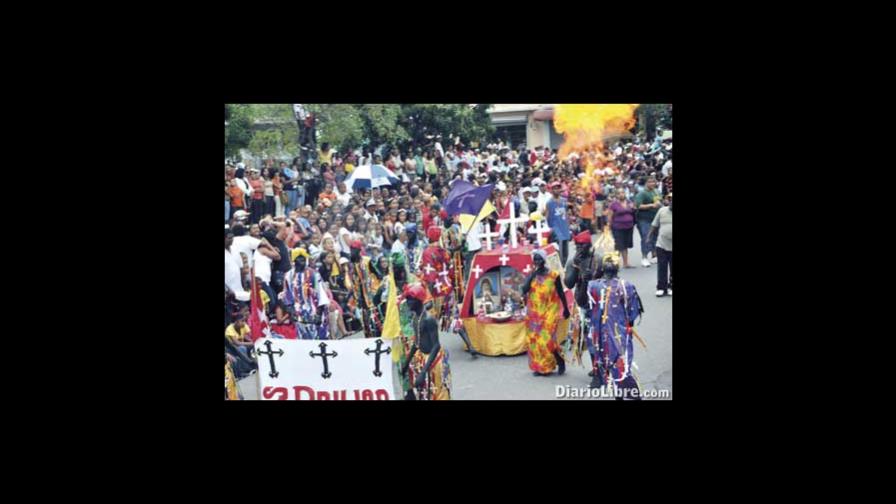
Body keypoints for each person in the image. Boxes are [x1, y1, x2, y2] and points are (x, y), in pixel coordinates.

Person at [586, 252, 644, 399]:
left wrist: (625, 330)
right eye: (608, 262)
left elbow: (632, 312)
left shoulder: (626, 286)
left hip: (617, 336)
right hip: (605, 338)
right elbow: (586, 305)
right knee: (611, 369)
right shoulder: (594, 285)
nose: (610, 264)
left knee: (621, 368)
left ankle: (634, 396)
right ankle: (620, 396)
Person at [398, 283, 451, 400]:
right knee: (424, 394)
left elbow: (436, 346)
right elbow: (417, 342)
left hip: (434, 360)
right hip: (423, 359)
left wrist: (423, 372)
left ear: (418, 300)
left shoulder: (428, 319)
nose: (407, 303)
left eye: (410, 300)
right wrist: (406, 363)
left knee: (437, 392)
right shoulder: (416, 318)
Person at [522, 248, 569, 376]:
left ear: (544, 260)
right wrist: (532, 275)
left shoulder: (554, 275)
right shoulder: (532, 274)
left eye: (539, 259)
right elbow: (524, 290)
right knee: (535, 341)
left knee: (547, 341)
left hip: (549, 311)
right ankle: (541, 367)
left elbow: (561, 293)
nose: (537, 261)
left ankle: (560, 360)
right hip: (534, 313)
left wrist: (566, 308)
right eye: (535, 259)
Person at [281, 248, 330, 339]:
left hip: (314, 311)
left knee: (318, 339)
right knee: (303, 340)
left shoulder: (314, 274)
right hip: (298, 313)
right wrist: (291, 311)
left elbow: (321, 293)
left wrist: (319, 313)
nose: (302, 260)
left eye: (303, 258)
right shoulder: (288, 275)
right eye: (299, 258)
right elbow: (287, 294)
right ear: (294, 260)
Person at [648, 193, 672, 297]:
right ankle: (661, 287)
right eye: (670, 199)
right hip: (661, 244)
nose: (671, 201)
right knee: (662, 267)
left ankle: (670, 287)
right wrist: (649, 236)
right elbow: (654, 224)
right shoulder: (662, 211)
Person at [634, 177, 661, 267]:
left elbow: (659, 201)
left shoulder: (656, 191)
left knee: (656, 238)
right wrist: (652, 205)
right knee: (646, 237)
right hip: (644, 220)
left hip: (656, 219)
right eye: (650, 182)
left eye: (653, 182)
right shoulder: (642, 193)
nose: (652, 183)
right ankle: (644, 257)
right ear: (646, 183)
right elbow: (638, 206)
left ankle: (654, 256)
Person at [608, 190, 636, 268]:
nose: (621, 194)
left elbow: (633, 211)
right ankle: (615, 263)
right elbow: (610, 216)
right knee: (619, 245)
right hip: (618, 227)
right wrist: (609, 226)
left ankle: (626, 263)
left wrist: (633, 207)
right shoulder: (614, 204)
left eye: (622, 193)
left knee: (625, 245)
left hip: (629, 227)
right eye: (619, 193)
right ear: (616, 195)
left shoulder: (629, 202)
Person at [546, 182, 571, 264]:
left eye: (558, 188)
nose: (557, 190)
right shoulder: (549, 203)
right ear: (552, 190)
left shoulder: (564, 201)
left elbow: (566, 214)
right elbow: (547, 216)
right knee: (559, 251)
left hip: (564, 228)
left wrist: (568, 226)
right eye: (555, 188)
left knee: (566, 251)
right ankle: (560, 269)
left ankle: (564, 266)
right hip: (556, 229)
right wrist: (550, 229)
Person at [225, 229, 250, 302]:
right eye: (229, 238)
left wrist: (244, 283)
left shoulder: (235, 249)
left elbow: (241, 269)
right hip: (228, 291)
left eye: (232, 237)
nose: (231, 240)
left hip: (239, 288)